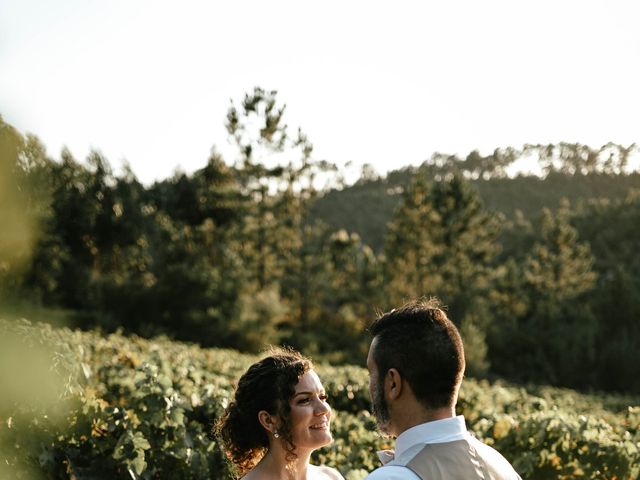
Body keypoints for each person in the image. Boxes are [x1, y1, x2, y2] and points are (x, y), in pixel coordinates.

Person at [365, 299, 522, 480]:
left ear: (393, 383)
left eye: (371, 373)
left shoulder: (393, 477)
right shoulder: (500, 466)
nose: (369, 385)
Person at [216, 347, 345, 480]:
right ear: (268, 420)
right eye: (304, 400)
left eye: (323, 397)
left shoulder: (332, 477)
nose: (323, 409)